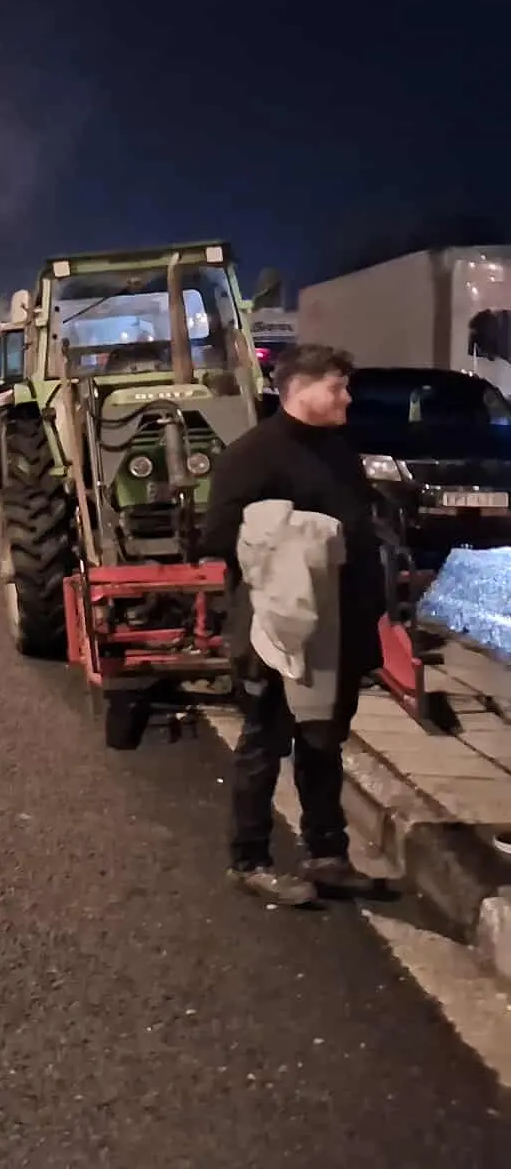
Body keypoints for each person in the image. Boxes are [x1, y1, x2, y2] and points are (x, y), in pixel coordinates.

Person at [201, 343, 387, 906]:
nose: (347, 398)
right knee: (264, 744)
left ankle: (326, 854)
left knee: (323, 744)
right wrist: (295, 537)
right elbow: (216, 541)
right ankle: (250, 859)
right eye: (337, 386)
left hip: (341, 631)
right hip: (277, 635)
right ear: (299, 389)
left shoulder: (338, 451)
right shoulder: (252, 456)